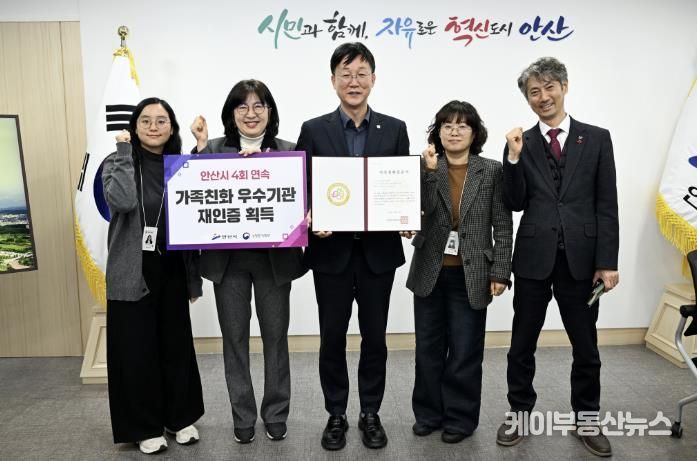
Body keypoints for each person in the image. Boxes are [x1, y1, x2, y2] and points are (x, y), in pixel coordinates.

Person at [496, 57, 619, 457]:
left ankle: (587, 418)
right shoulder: (520, 142)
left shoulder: (596, 138)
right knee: (521, 344)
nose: (543, 96)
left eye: (549, 87)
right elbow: (514, 202)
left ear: (564, 87)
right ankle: (519, 414)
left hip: (582, 261)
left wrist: (608, 261)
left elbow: (607, 205)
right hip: (533, 258)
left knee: (586, 347)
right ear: (528, 99)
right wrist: (513, 158)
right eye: (534, 91)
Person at [296, 42, 410, 450]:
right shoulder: (314, 129)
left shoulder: (394, 129)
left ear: (373, 79)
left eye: (361, 74)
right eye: (346, 74)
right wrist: (312, 216)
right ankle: (336, 414)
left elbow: (400, 186)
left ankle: (370, 413)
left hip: (379, 254)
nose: (354, 81)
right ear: (333, 81)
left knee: (375, 339)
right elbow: (302, 187)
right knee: (332, 338)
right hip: (332, 254)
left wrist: (406, 216)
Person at [190, 79, 306, 444]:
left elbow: (304, 203)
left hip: (275, 263)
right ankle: (242, 416)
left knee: (276, 339)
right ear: (231, 113)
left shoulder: (289, 151)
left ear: (270, 111)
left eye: (259, 105)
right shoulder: (212, 149)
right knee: (234, 340)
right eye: (242, 106)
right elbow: (193, 195)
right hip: (228, 264)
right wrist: (200, 149)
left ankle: (275, 413)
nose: (251, 113)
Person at [406, 100, 512, 443]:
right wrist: (428, 173)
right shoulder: (426, 166)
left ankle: (460, 419)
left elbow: (502, 224)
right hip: (430, 270)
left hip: (473, 272)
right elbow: (420, 211)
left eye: (462, 125)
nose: (454, 131)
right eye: (447, 125)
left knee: (465, 350)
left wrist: (501, 271)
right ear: (437, 132)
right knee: (428, 349)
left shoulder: (492, 170)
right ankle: (428, 414)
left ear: (474, 132)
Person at [103, 97, 204, 455]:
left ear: (171, 127)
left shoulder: (180, 165)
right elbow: (123, 201)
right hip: (132, 268)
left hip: (172, 265)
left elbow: (201, 206)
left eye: (161, 120)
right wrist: (122, 151)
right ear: (134, 127)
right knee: (136, 350)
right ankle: (145, 427)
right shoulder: (117, 162)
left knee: (175, 345)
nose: (153, 127)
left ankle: (179, 418)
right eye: (145, 120)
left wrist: (201, 146)